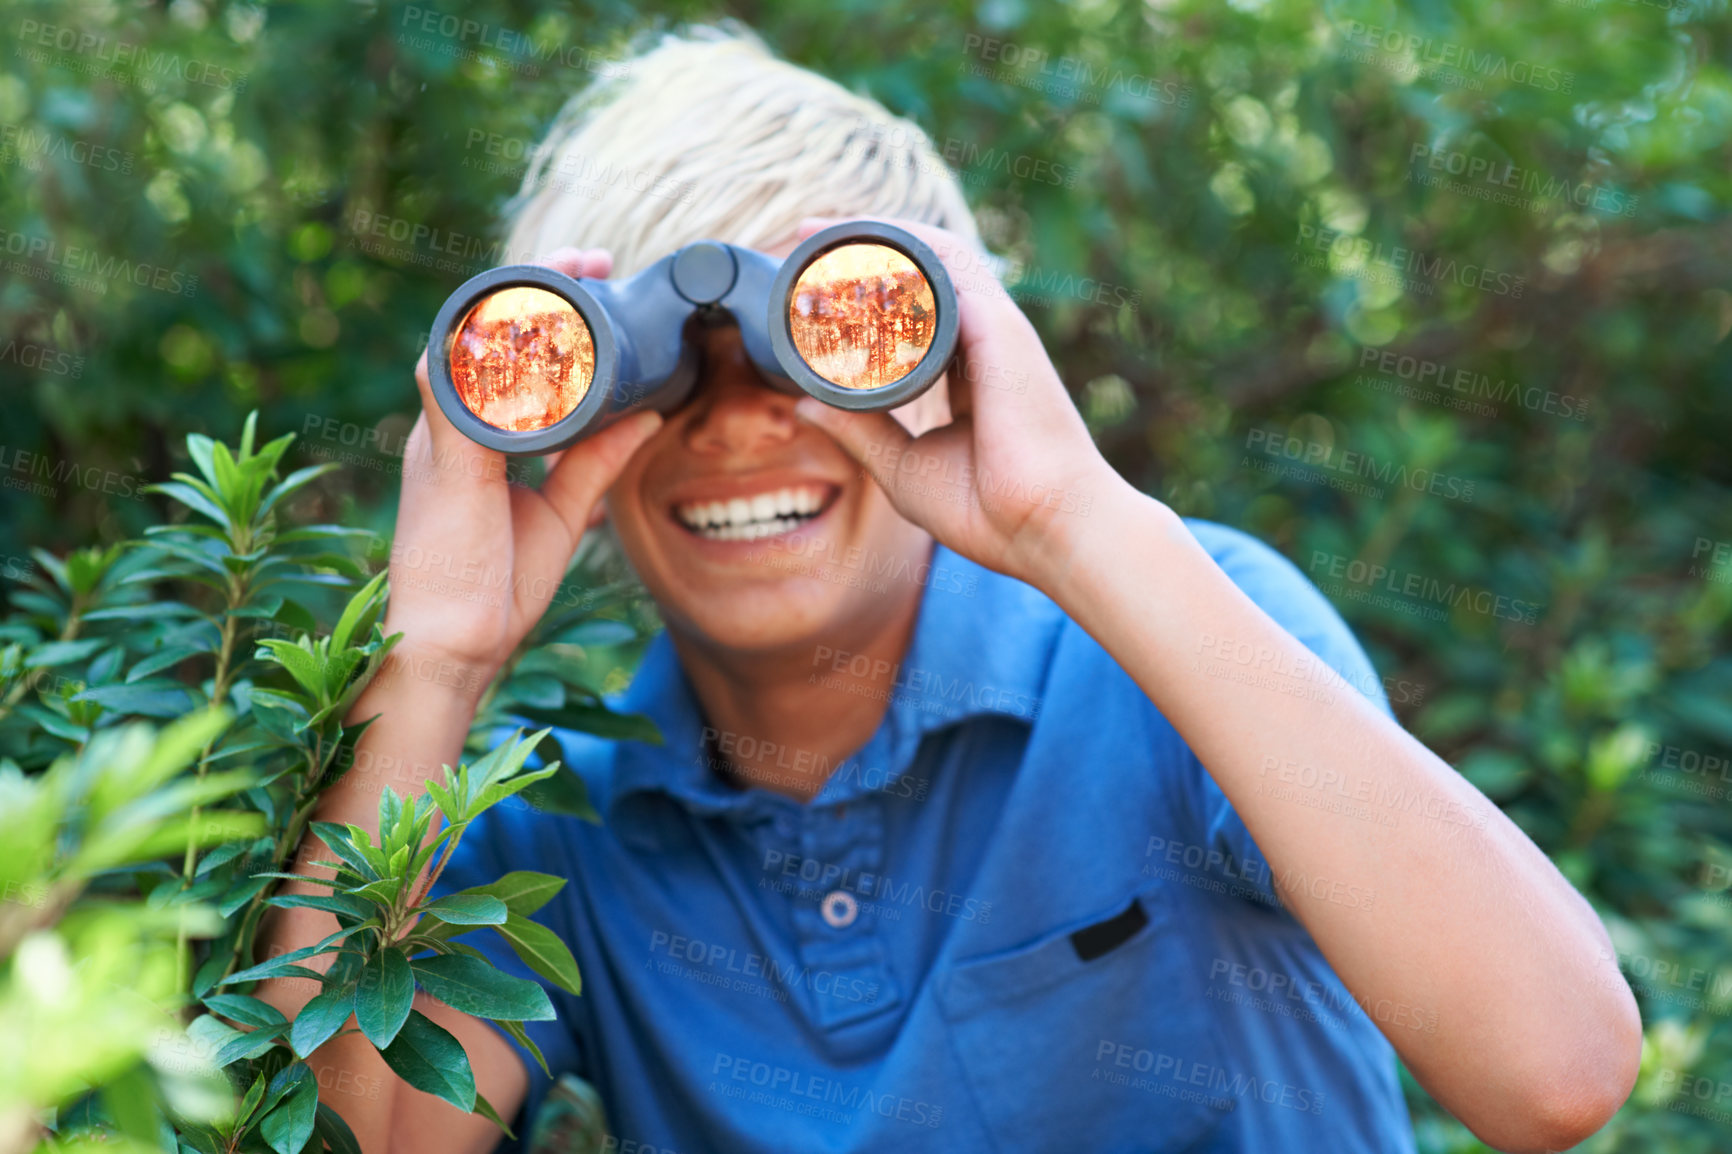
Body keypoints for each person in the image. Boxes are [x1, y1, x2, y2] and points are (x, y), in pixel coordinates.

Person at [258, 23, 1641, 1154]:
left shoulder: (1180, 636)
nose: (738, 425)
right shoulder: (558, 818)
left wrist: (1067, 517)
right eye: (664, 370)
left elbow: (1555, 1070)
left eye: (805, 343)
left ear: (943, 346)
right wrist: (431, 661)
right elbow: (347, 1144)